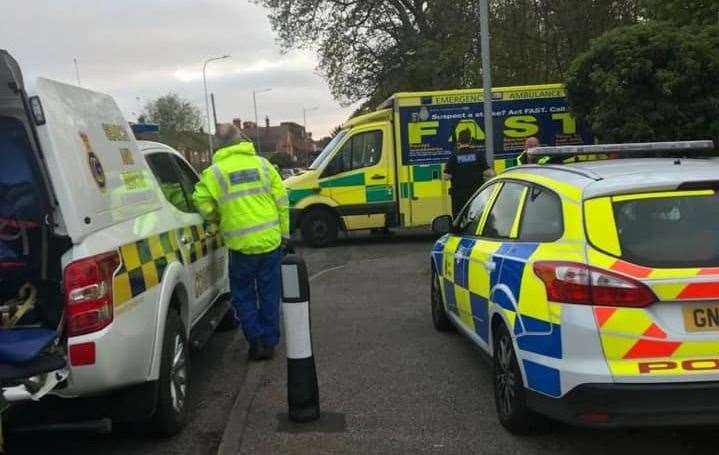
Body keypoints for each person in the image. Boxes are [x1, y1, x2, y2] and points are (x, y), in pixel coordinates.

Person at [193, 125, 290, 361]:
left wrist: (215, 222)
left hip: (241, 247)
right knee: (269, 293)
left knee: (243, 295)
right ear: (240, 140)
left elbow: (201, 202)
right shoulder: (264, 166)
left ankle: (255, 341)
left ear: (219, 144)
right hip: (269, 243)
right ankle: (269, 342)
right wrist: (284, 235)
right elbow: (282, 202)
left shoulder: (214, 173)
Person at [443, 128, 490, 217]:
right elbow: (489, 173)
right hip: (476, 193)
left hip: (459, 196)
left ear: (458, 141)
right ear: (470, 140)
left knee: (459, 218)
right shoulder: (478, 154)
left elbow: (446, 177)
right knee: (477, 217)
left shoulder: (454, 156)